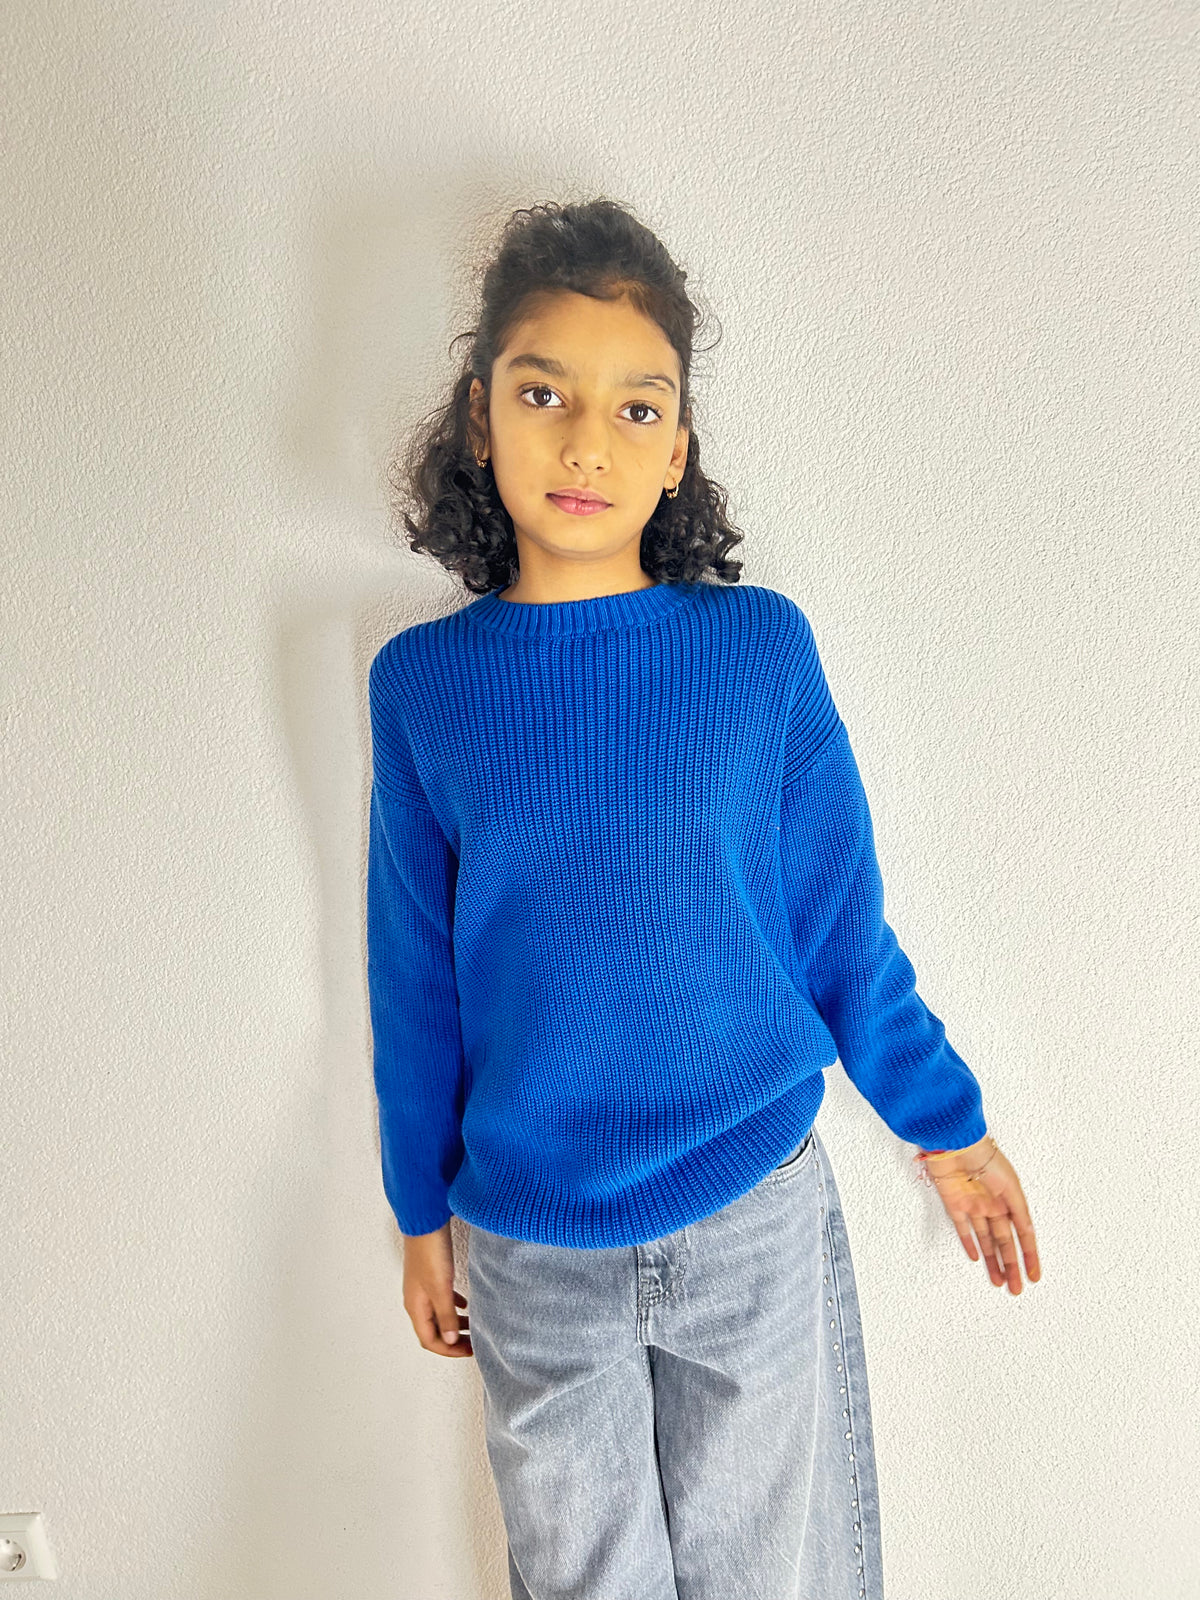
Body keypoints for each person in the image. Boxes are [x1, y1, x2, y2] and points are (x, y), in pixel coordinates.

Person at [365, 197, 1041, 1600]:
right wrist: (419, 1210)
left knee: (771, 1577)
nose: (586, 442)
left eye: (636, 408)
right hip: (534, 1246)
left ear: (676, 449)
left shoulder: (757, 654)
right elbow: (414, 976)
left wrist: (950, 1129)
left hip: (748, 1221)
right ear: (480, 416)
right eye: (544, 393)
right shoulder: (423, 688)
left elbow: (838, 931)